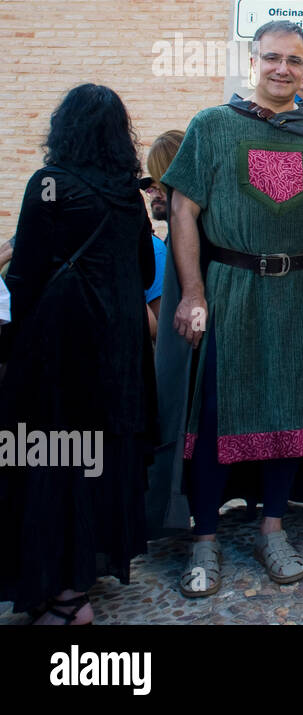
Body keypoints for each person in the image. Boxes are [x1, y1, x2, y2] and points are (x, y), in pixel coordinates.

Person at [151, 20, 303, 595]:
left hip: (298, 296)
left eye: (294, 60)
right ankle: (203, 540)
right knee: (215, 417)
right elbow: (183, 212)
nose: (282, 68)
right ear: (252, 60)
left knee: (290, 414)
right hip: (228, 289)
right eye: (271, 57)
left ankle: (272, 530)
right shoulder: (211, 127)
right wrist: (192, 292)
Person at [0, 84, 157, 625]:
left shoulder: (50, 185)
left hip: (58, 349)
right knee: (96, 460)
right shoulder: (125, 192)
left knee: (48, 461)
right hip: (117, 350)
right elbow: (144, 274)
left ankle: (63, 595)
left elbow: (23, 274)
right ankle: (77, 580)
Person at [144, 129, 185, 341]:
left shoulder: (195, 239)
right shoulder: (170, 240)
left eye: (158, 182)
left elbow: (164, 329)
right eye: (150, 188)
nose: (154, 192)